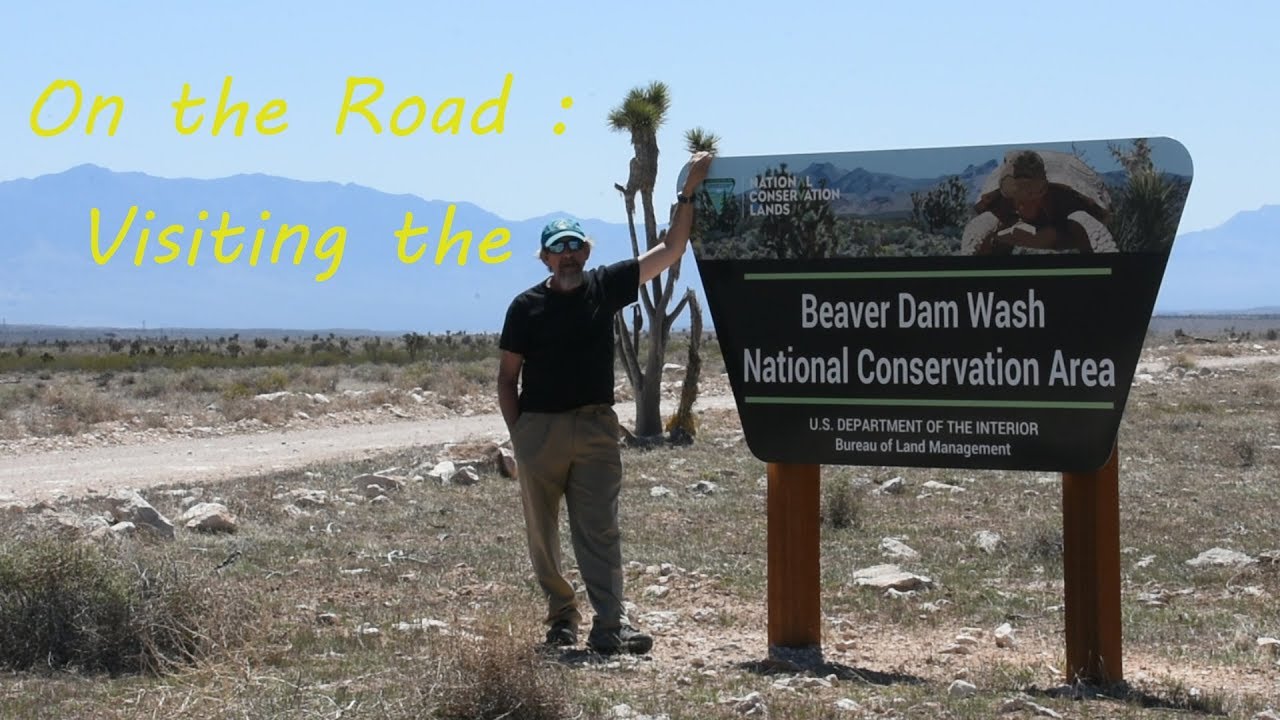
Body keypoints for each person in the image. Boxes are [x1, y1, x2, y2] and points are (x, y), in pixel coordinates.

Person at [497, 152, 712, 654]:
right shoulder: (525, 308)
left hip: (596, 429)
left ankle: (610, 626)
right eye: (558, 249)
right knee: (543, 536)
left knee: (600, 529)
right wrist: (520, 436)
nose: (568, 256)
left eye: (575, 247)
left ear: (587, 252)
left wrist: (688, 193)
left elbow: (672, 248)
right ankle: (561, 619)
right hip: (540, 432)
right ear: (545, 257)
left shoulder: (605, 286)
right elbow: (507, 378)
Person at [961, 149, 1117, 255]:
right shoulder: (998, 211)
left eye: (1030, 163)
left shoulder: (1073, 209)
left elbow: (1089, 224)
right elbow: (979, 226)